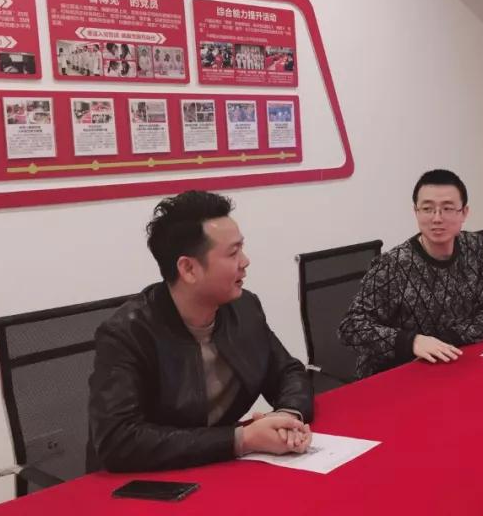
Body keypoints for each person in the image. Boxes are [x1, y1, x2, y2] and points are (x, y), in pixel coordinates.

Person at [88, 191, 314, 472]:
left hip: (216, 468)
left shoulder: (244, 309)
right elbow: (118, 441)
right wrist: (241, 440)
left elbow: (288, 373)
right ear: (188, 269)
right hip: (147, 482)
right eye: (233, 253)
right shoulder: (127, 333)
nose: (245, 261)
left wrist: (286, 417)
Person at [338, 169, 483, 378]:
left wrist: (445, 341)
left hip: (451, 360)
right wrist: (411, 342)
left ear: (464, 212)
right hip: (395, 372)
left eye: (447, 208)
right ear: (415, 212)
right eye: (427, 209)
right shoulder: (393, 265)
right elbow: (350, 327)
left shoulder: (476, 247)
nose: (437, 218)